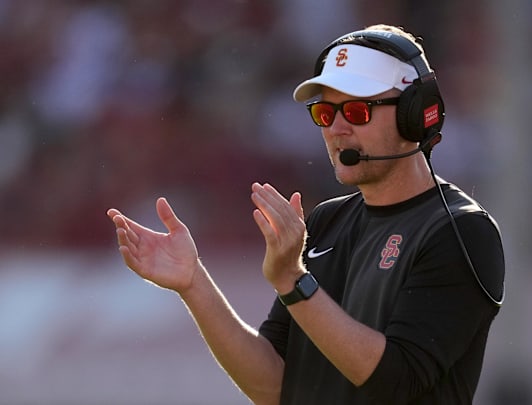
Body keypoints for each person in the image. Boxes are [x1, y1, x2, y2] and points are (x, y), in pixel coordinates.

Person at [107, 24, 505, 405]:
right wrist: (194, 284)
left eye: (357, 111)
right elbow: (273, 387)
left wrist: (295, 282)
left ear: (413, 113)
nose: (337, 129)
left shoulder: (462, 231)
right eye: (325, 114)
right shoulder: (325, 222)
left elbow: (396, 382)